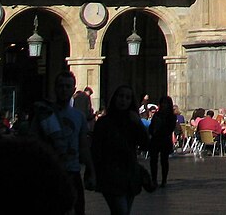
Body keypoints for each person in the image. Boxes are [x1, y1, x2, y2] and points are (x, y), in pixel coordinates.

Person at [33, 70, 92, 215]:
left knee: (77, 210)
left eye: (67, 86)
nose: (64, 90)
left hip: (72, 171)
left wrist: (91, 170)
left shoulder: (79, 116)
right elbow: (34, 141)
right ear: (55, 88)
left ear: (74, 89)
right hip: (48, 171)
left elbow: (83, 146)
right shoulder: (44, 113)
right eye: (61, 86)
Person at [89, 85, 147, 215]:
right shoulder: (104, 123)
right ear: (115, 98)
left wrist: (138, 122)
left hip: (129, 173)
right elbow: (95, 150)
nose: (123, 100)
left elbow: (145, 144)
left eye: (128, 98)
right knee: (121, 211)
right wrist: (93, 172)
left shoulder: (133, 122)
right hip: (110, 174)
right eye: (121, 96)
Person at [147, 96, 177, 188]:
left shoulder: (171, 116)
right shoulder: (157, 114)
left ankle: (164, 180)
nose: (164, 105)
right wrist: (152, 132)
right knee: (153, 160)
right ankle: (154, 179)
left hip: (164, 139)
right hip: (155, 139)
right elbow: (152, 126)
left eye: (166, 103)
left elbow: (170, 128)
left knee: (164, 160)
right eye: (162, 103)